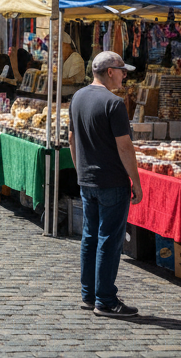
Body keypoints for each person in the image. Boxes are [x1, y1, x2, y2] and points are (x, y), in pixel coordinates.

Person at [68, 50, 142, 318]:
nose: (125, 76)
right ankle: (106, 299)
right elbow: (125, 147)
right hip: (111, 181)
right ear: (110, 71)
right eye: (123, 71)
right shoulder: (114, 103)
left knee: (90, 236)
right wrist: (135, 180)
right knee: (109, 240)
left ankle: (90, 294)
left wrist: (80, 172)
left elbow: (72, 140)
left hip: (88, 179)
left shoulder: (78, 97)